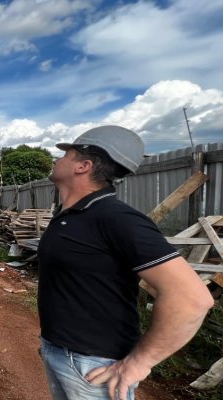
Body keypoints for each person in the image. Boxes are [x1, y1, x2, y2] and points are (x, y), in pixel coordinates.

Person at [38, 125, 214, 400]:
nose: (56, 159)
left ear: (83, 166)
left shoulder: (115, 217)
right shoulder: (72, 214)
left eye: (65, 155)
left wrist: (139, 363)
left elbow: (192, 298)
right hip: (62, 353)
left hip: (95, 367)